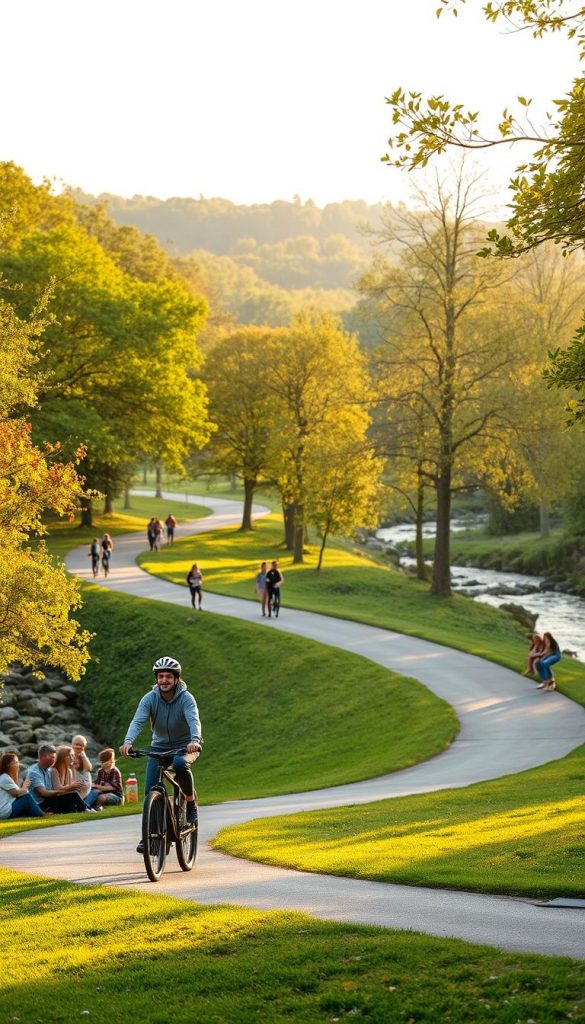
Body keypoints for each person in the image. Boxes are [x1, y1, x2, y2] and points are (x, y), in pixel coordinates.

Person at [119, 656, 202, 853]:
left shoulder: (186, 698)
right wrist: (128, 742)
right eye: (161, 676)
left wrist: (195, 740)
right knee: (150, 791)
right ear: (156, 678)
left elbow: (193, 720)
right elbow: (138, 721)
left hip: (185, 747)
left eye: (168, 677)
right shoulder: (150, 698)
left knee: (181, 765)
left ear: (176, 679)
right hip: (159, 747)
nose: (164, 680)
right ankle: (153, 837)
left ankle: (190, 803)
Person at [26, 743, 88, 814]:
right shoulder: (34, 772)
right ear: (43, 757)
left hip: (50, 800)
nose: (55, 760)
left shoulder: (50, 769)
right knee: (73, 796)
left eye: (55, 757)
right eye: (53, 757)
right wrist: (66, 790)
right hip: (40, 805)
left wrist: (69, 789)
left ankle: (87, 809)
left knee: (72, 796)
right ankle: (86, 810)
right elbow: (44, 793)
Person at [0, 752, 45, 820]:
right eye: (16, 762)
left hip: (7, 809)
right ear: (9, 765)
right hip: (4, 812)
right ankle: (42, 814)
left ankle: (39, 813)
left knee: (26, 797)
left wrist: (24, 785)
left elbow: (19, 793)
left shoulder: (7, 777)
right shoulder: (4, 778)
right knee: (27, 797)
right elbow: (18, 794)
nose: (18, 764)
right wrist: (25, 784)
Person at [71, 735, 93, 800]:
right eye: (76, 744)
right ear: (72, 744)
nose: (78, 747)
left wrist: (82, 753)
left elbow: (89, 768)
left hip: (83, 787)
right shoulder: (68, 754)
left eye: (81, 745)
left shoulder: (83, 756)